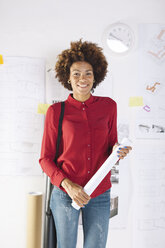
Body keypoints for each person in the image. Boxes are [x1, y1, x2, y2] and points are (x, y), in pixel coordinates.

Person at [39, 39, 132, 248]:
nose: (83, 79)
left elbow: (111, 146)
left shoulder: (109, 106)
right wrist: (68, 185)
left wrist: (118, 150)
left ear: (95, 75)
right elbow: (45, 159)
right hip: (65, 193)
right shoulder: (56, 112)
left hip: (99, 193)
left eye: (88, 73)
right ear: (68, 78)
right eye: (76, 73)